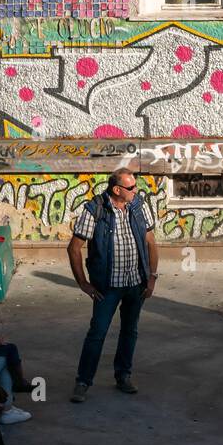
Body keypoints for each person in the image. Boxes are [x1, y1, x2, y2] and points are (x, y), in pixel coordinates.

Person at [67, 167, 159, 403]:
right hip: (106, 287)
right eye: (131, 187)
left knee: (130, 331)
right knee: (97, 333)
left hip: (136, 283)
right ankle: (83, 382)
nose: (135, 190)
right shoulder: (95, 209)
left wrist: (152, 277)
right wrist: (83, 283)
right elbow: (74, 247)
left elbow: (151, 242)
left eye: (135, 186)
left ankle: (123, 376)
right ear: (117, 190)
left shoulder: (138, 206)